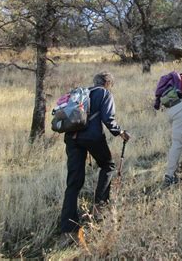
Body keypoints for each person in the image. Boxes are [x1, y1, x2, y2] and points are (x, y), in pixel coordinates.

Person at [60, 72, 130, 243]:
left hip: (71, 138)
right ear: (107, 83)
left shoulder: (81, 93)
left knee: (73, 183)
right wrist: (119, 132)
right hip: (92, 137)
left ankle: (68, 229)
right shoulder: (104, 93)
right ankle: (99, 206)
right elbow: (108, 117)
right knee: (108, 166)